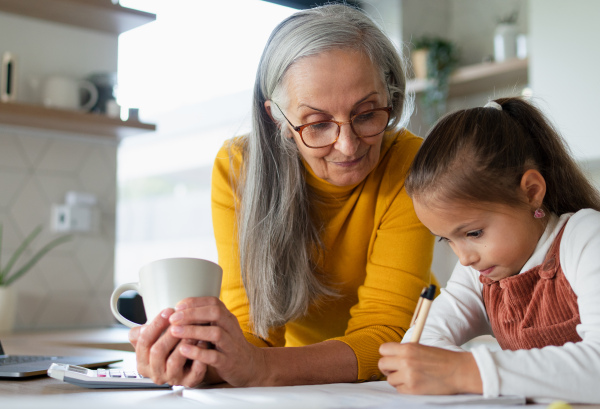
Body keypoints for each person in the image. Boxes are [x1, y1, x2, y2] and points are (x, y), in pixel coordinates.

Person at [128, 4, 437, 388]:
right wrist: (201, 361)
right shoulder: (238, 168)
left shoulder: (409, 162)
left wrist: (260, 367)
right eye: (318, 124)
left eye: (367, 114)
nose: (347, 146)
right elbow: (253, 331)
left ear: (391, 95)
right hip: (302, 375)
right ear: (279, 119)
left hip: (400, 370)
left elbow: (386, 334)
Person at [378, 97, 600, 403]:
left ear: (531, 193)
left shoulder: (586, 237)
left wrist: (467, 371)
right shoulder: (479, 273)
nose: (464, 257)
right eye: (447, 240)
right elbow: (425, 341)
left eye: (473, 233)